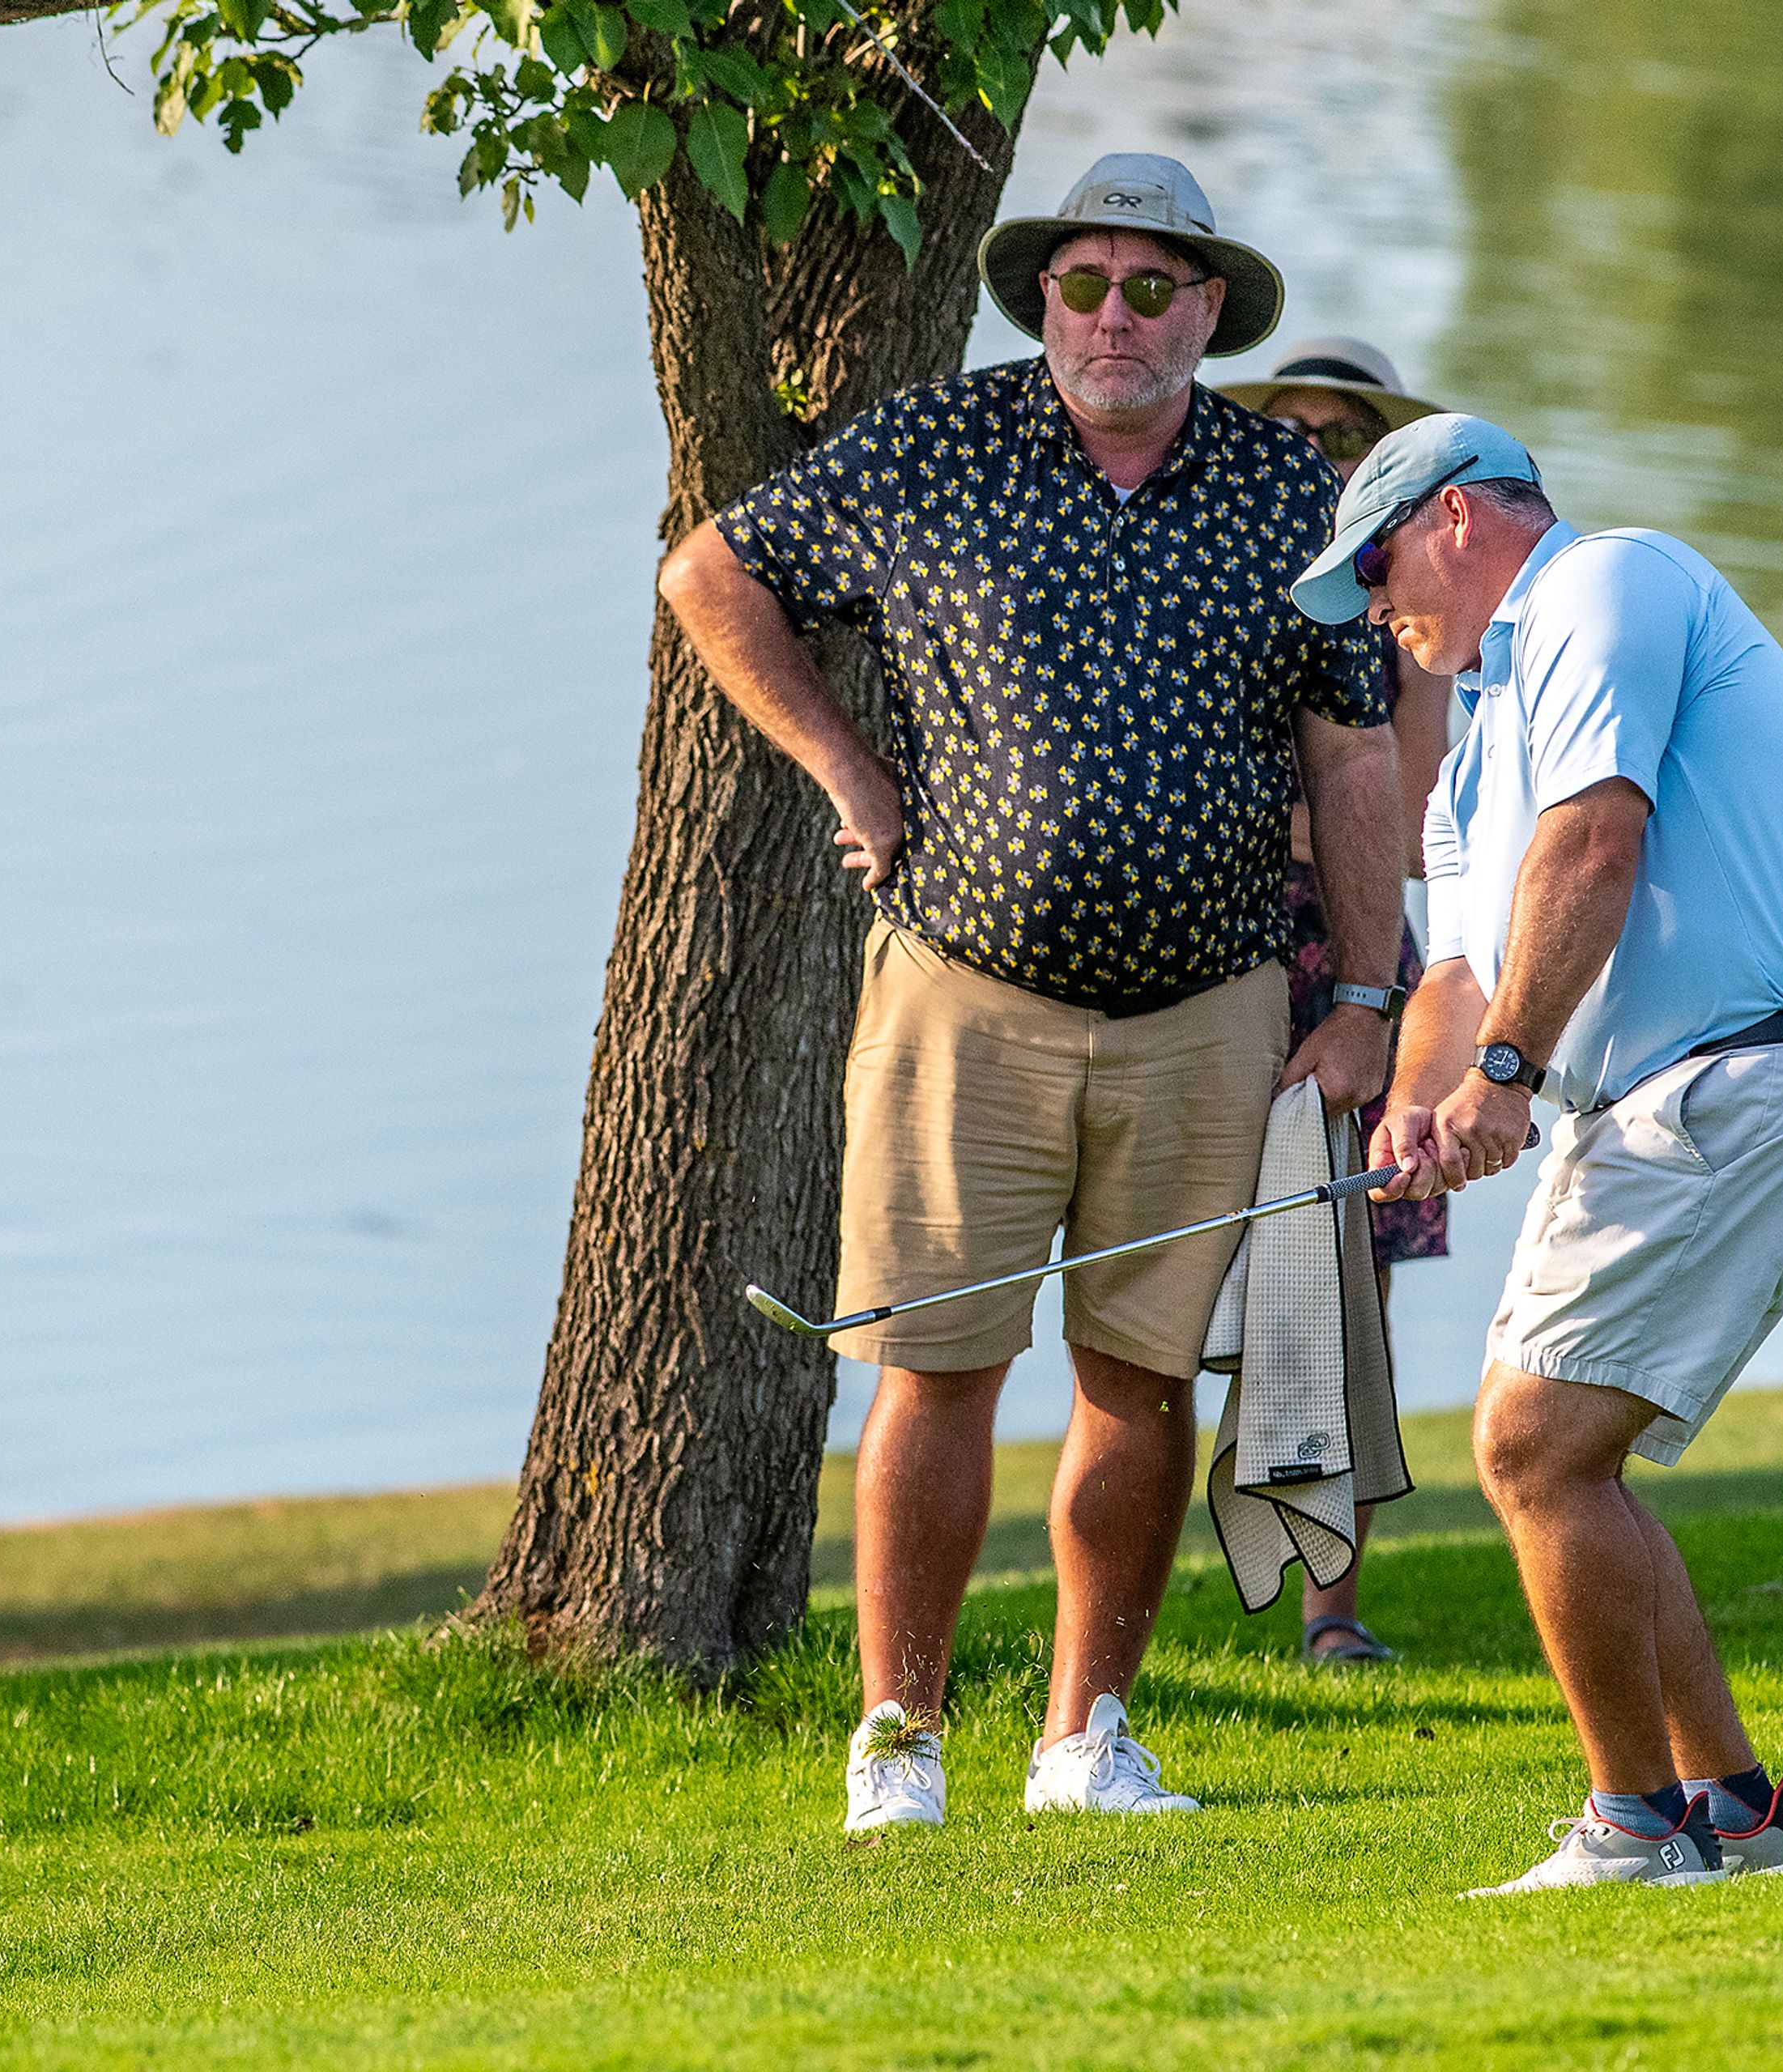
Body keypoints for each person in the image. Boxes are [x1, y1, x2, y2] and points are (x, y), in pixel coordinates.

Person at [657, 155, 1405, 1833]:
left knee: (1141, 1377)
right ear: (1041, 300)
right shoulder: (939, 447)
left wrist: (1362, 989)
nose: (1117, 317)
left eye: (1156, 288)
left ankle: (1088, 1734)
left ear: (1211, 311)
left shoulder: (1292, 493)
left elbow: (1356, 750)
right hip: (964, 990)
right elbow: (714, 574)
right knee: (935, 1364)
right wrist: (845, 770)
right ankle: (897, 1743)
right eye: (1088, 284)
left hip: (1210, 1003)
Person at [1298, 413, 1783, 1891]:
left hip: (1748, 1074)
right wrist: (1420, 1106)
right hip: (1671, 1100)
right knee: (1571, 1460)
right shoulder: (1469, 749)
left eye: (1378, 570)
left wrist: (1507, 1071)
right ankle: (1743, 1815)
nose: (1380, 611)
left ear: (1456, 516)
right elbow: (1454, 974)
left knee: (1529, 1447)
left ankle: (1636, 1826)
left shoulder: (1601, 588)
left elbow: (1597, 847)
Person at [1220, 337, 1458, 1665]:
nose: (1312, 451)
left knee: (1343, 1279)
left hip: (1355, 956)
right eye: (1292, 427)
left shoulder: (1403, 626)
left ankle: (1328, 1608)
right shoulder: (1220, 581)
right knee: (1197, 1268)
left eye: (1340, 434)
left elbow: (1409, 824)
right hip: (1225, 947)